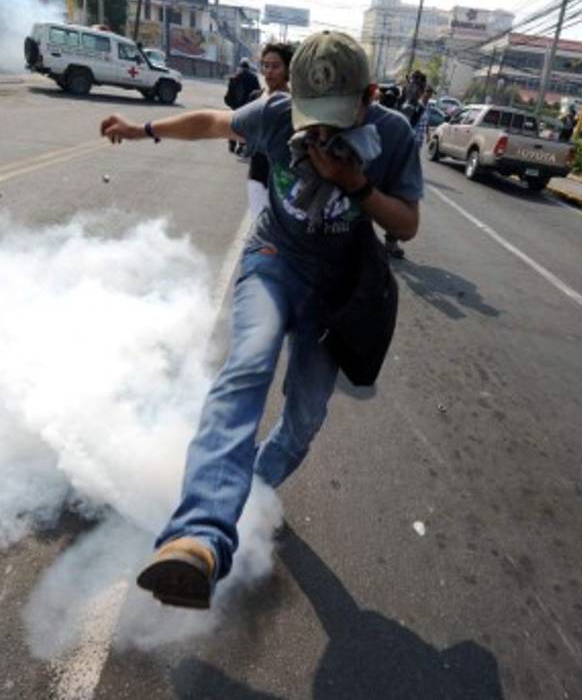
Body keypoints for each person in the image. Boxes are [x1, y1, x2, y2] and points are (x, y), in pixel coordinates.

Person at [99, 31, 422, 610]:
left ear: (370, 97)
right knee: (247, 364)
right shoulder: (276, 112)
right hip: (275, 260)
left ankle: (244, 501)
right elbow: (210, 123)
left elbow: (407, 225)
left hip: (339, 286)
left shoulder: (395, 135)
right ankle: (199, 534)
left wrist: (358, 186)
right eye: (310, 115)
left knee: (304, 420)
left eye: (335, 117)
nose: (319, 130)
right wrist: (141, 129)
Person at [244, 42, 294, 218]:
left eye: (275, 66)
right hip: (257, 175)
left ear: (287, 70)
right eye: (265, 65)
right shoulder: (255, 98)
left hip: (285, 179)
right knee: (259, 227)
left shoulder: (296, 104)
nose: (269, 71)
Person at [385, 86, 434, 259]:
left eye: (419, 87)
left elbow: (418, 126)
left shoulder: (421, 108)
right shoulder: (400, 104)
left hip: (409, 154)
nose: (418, 92)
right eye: (414, 86)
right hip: (393, 153)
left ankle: (391, 242)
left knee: (400, 197)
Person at [225, 59, 261, 155]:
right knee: (244, 127)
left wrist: (230, 103)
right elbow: (258, 92)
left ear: (240, 67)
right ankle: (241, 145)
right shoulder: (254, 78)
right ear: (248, 68)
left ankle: (232, 144)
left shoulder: (234, 77)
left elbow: (229, 94)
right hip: (247, 107)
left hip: (235, 107)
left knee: (233, 125)